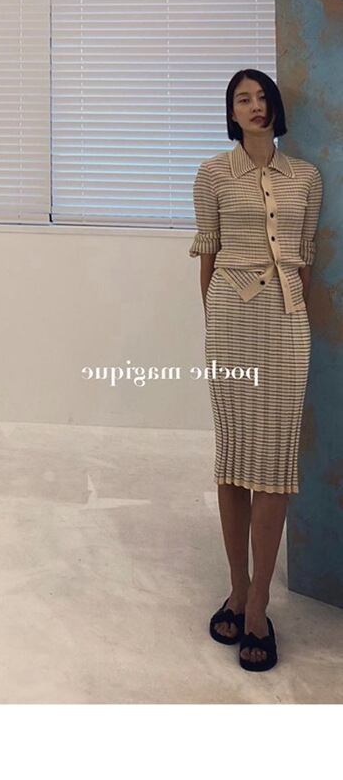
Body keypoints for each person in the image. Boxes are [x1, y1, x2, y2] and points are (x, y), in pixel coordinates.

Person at [189, 68, 323, 672]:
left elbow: (305, 261)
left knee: (274, 460)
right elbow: (208, 256)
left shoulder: (306, 178)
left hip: (287, 321)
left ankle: (260, 603)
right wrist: (217, 321)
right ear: (231, 112)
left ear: (275, 108)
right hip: (230, 319)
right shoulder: (212, 174)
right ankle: (237, 586)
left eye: (263, 96)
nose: (255, 105)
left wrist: (290, 314)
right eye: (243, 98)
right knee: (234, 454)